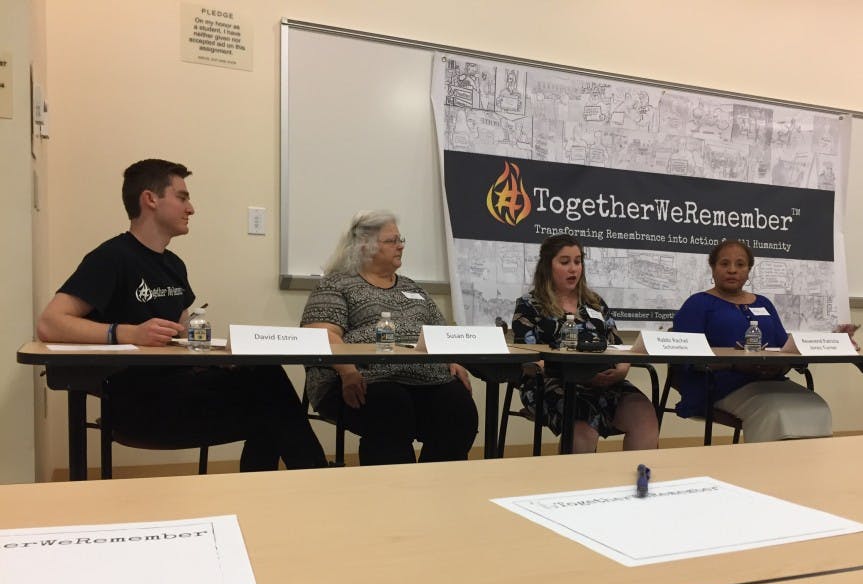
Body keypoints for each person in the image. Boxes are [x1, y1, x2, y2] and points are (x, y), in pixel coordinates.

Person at [36, 159, 329, 472]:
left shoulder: (173, 265)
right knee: (273, 402)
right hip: (138, 401)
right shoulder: (111, 258)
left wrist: (207, 345)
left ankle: (281, 487)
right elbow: (49, 322)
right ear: (150, 199)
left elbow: (183, 330)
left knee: (266, 384)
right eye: (182, 197)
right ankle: (312, 483)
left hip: (183, 387)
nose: (191, 208)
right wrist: (128, 333)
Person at [300, 210, 478, 465]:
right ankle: (392, 492)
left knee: (458, 407)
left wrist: (453, 360)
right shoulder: (336, 285)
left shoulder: (412, 288)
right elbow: (322, 335)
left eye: (400, 239)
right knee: (391, 404)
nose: (401, 245)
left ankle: (437, 485)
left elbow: (441, 333)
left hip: (424, 380)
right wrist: (348, 371)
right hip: (357, 381)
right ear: (364, 246)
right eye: (391, 241)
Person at [671, 238, 852, 442]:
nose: (732, 270)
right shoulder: (697, 304)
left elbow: (785, 348)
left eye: (740, 264)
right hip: (718, 385)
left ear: (749, 271)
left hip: (769, 381)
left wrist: (834, 341)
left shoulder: (764, 303)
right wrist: (734, 364)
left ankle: (804, 468)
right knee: (776, 411)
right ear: (712, 269)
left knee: (817, 407)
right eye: (724, 264)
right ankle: (763, 467)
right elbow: (685, 357)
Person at [512, 234, 659, 453]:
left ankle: (637, 485)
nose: (573, 269)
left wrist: (621, 370)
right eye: (565, 262)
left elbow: (617, 346)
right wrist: (572, 372)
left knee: (644, 413)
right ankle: (576, 485)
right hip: (553, 383)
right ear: (547, 266)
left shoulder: (595, 303)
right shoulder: (529, 305)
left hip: (603, 382)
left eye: (578, 261)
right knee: (582, 422)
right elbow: (527, 355)